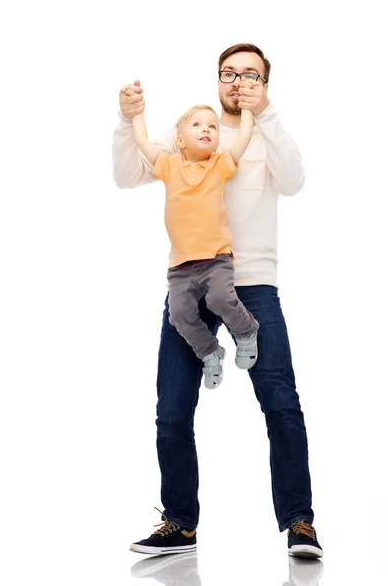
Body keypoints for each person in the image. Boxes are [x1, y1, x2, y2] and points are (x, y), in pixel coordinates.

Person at [112, 43, 323, 559]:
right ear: (218, 79)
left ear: (265, 83)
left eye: (250, 75)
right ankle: (180, 524)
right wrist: (127, 121)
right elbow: (128, 174)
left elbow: (294, 181)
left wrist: (264, 114)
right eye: (229, 73)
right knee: (172, 410)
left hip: (251, 283)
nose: (238, 82)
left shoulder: (264, 132)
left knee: (281, 404)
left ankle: (300, 523)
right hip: (188, 283)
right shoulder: (195, 129)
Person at [128, 97, 260, 388]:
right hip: (180, 265)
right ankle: (210, 351)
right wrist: (135, 113)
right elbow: (141, 139)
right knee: (179, 314)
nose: (207, 129)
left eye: (212, 126)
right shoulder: (168, 165)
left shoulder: (220, 164)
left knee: (220, 300)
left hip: (216, 258)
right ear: (180, 141)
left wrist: (248, 107)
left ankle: (247, 331)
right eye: (197, 124)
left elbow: (245, 136)